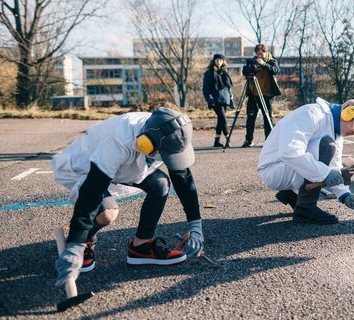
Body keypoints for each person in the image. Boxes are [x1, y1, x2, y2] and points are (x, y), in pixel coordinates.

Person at [52, 108, 204, 288]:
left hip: (125, 165)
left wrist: (195, 226)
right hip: (84, 169)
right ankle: (85, 241)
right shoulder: (118, 141)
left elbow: (183, 177)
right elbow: (92, 190)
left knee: (160, 184)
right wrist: (75, 243)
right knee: (107, 213)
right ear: (145, 143)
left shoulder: (172, 131)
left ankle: (141, 247)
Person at [257, 98, 354, 225]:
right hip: (273, 169)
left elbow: (335, 165)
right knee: (327, 146)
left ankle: (292, 194)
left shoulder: (336, 129)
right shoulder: (311, 114)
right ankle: (305, 208)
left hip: (288, 168)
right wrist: (326, 173)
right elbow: (289, 152)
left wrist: (345, 195)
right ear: (347, 113)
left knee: (349, 165)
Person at [242, 44, 281, 148]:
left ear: (266, 52)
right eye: (257, 54)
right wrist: (252, 67)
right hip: (253, 92)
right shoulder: (252, 61)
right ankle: (248, 140)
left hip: (267, 94)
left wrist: (264, 64)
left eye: (261, 53)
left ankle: (269, 141)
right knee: (251, 117)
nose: (259, 56)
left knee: (267, 116)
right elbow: (244, 71)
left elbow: (275, 71)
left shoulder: (272, 61)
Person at [203, 53, 234, 147]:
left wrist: (231, 99)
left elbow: (228, 88)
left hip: (225, 99)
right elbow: (205, 89)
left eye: (220, 60)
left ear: (223, 61)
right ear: (213, 61)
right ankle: (228, 139)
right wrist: (210, 100)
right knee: (223, 119)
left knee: (220, 120)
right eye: (217, 60)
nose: (218, 62)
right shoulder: (209, 73)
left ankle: (217, 141)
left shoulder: (225, 72)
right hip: (216, 100)